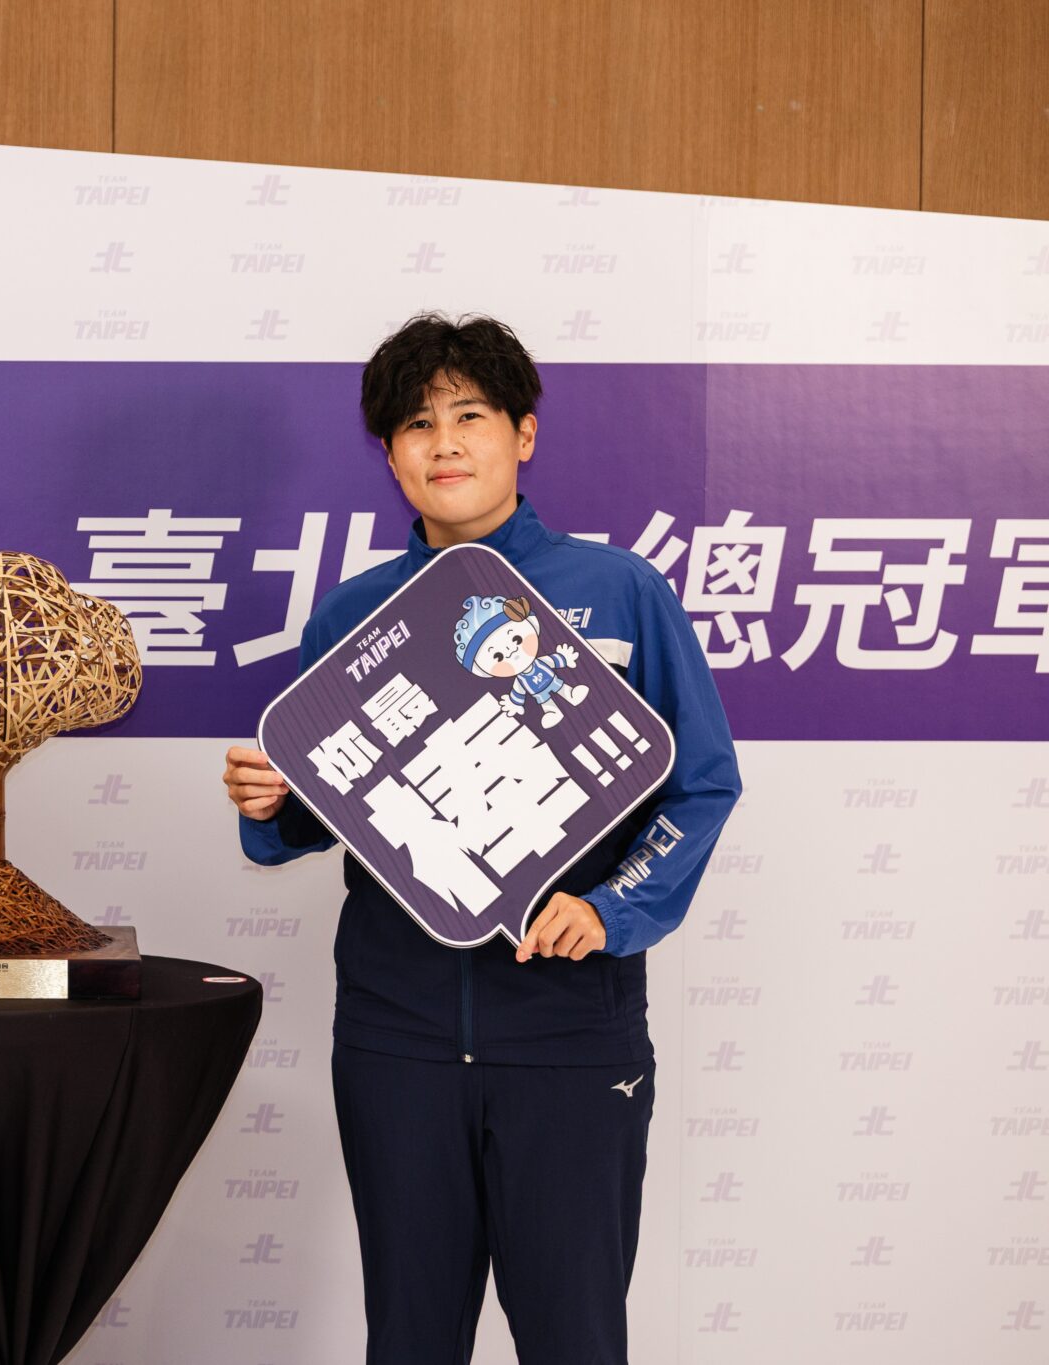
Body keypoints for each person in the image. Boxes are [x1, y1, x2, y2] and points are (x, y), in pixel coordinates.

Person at [222, 313, 740, 1364]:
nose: (444, 443)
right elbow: (320, 817)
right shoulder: (353, 616)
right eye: (417, 424)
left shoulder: (617, 592)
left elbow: (699, 786)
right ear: (389, 454)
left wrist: (612, 909)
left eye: (469, 416)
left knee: (573, 1337)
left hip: (569, 1030)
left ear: (523, 434)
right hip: (396, 1033)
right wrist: (269, 803)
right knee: (409, 1337)